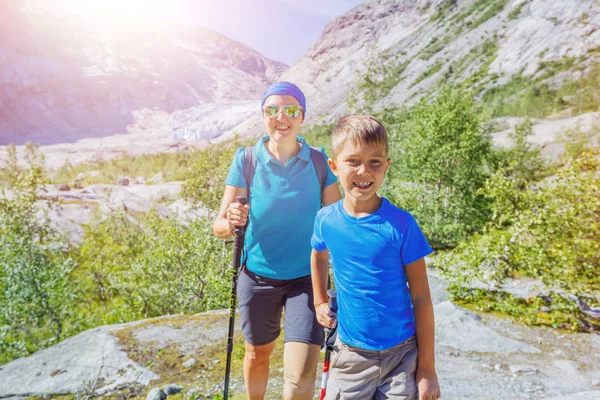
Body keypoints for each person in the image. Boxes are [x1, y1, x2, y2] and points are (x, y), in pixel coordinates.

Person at [213, 81, 341, 400]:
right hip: (257, 278)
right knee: (258, 356)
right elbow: (219, 227)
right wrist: (230, 220)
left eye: (290, 110)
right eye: (272, 110)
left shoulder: (318, 161)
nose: (280, 117)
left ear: (302, 117)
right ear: (263, 115)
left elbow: (339, 221)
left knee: (299, 376)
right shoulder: (246, 160)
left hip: (307, 280)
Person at [311, 115, 441, 400]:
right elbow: (318, 255)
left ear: (387, 166)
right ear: (334, 166)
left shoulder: (402, 225)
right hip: (350, 356)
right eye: (353, 161)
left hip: (402, 356)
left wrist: (427, 370)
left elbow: (421, 298)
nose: (364, 171)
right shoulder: (326, 220)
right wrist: (319, 299)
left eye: (374, 162)